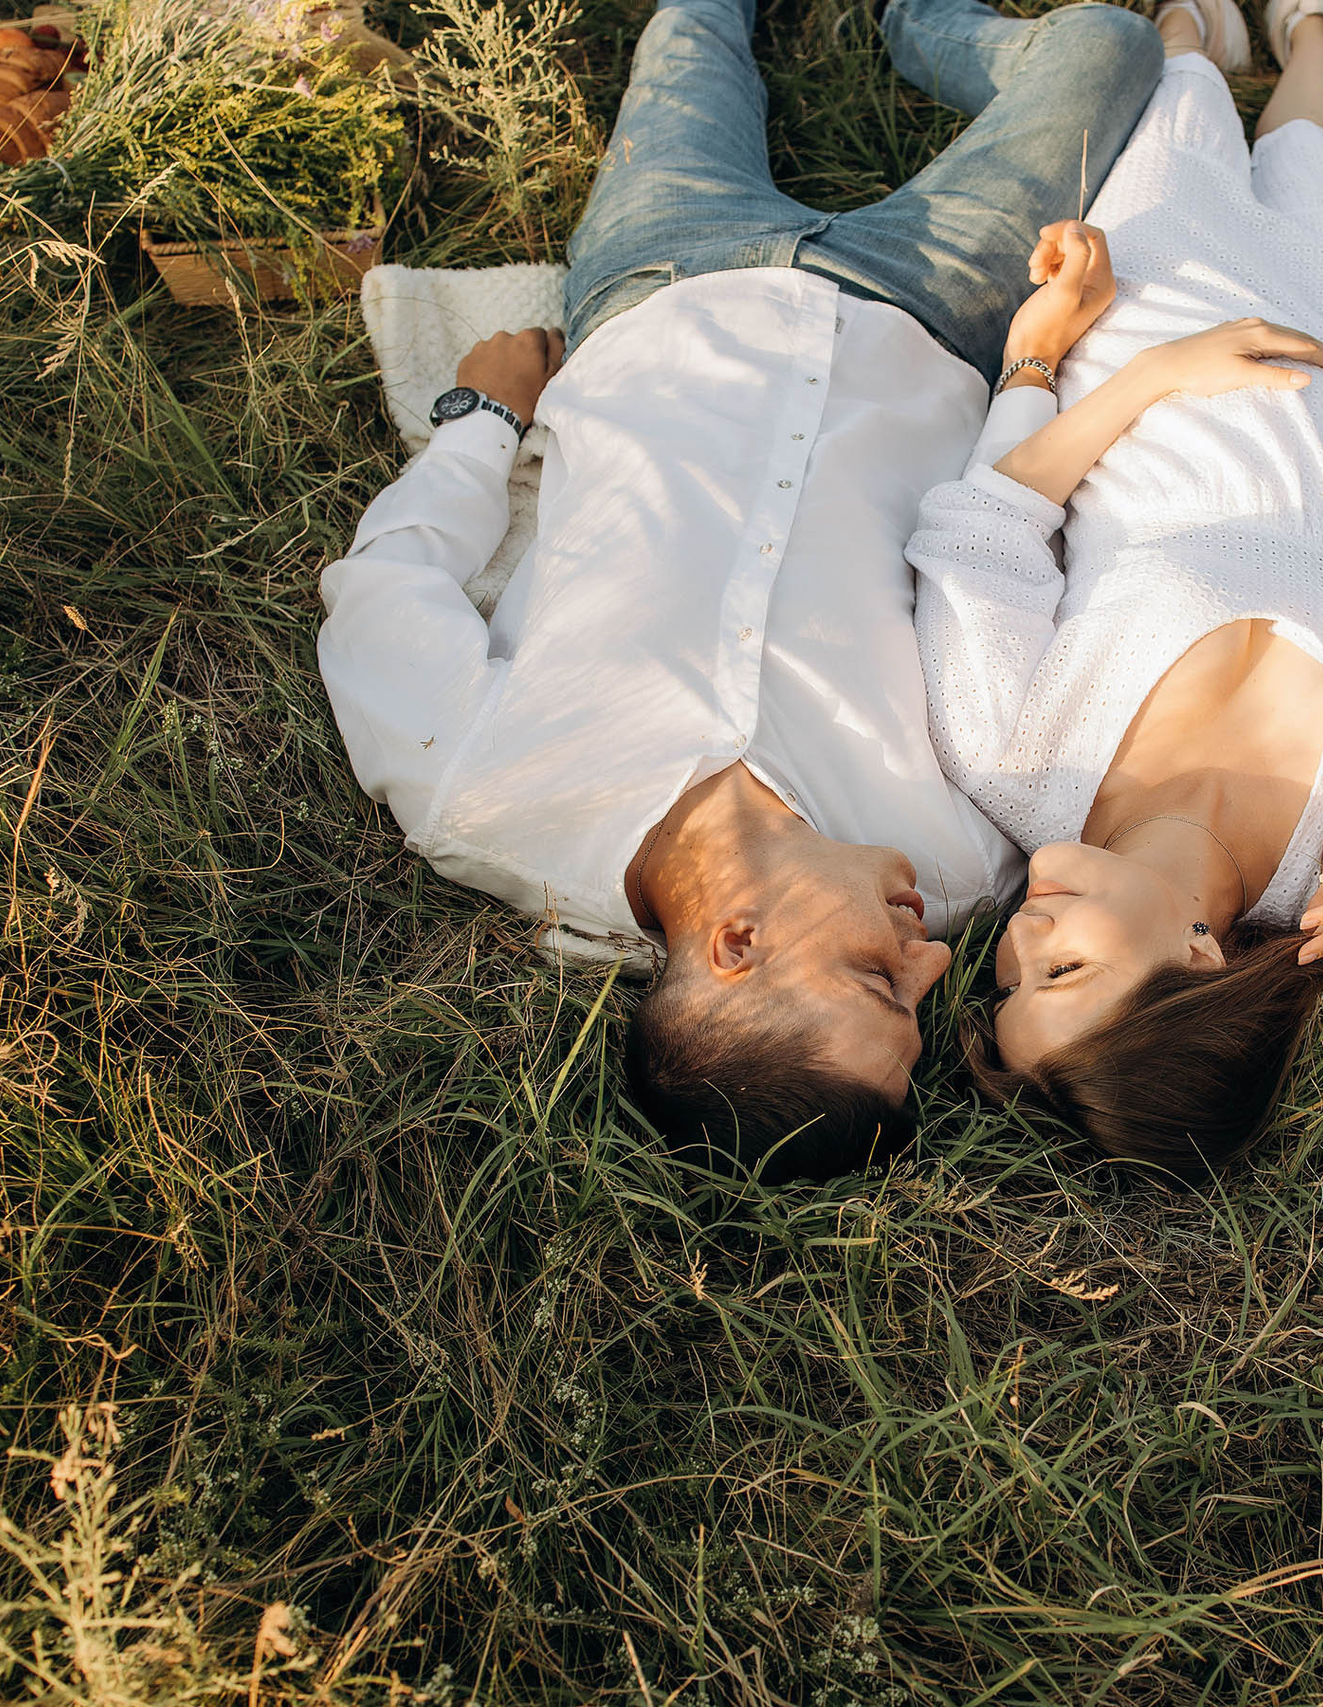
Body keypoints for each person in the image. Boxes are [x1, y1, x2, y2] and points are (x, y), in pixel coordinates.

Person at [316, 0, 1163, 1181]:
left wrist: (482, 418)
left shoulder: (480, 792)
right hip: (928, 308)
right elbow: (1004, 566)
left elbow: (385, 587)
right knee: (1111, 49)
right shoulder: (964, 851)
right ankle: (911, 19)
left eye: (879, 980)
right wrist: (1031, 363)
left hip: (657, 283)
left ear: (734, 943)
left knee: (690, 32)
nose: (931, 965)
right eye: (919, 1000)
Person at [907, 0, 1323, 1174]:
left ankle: (1192, 33)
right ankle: (1312, 28)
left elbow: (984, 528)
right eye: (1060, 969)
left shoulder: (1008, 758)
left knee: (1180, 115)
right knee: (1318, 182)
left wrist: (1132, 369)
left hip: (1160, 388)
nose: (1021, 935)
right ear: (1201, 960)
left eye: (1007, 975)